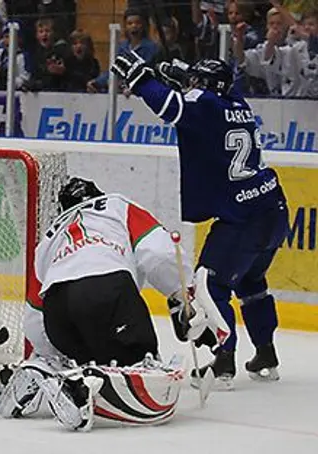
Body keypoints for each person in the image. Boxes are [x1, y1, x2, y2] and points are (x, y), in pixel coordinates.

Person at [111, 53, 290, 389]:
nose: (192, 85)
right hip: (273, 207)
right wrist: (177, 72)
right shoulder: (237, 101)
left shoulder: (203, 104)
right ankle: (265, 352)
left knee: (209, 284)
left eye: (197, 82)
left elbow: (171, 108)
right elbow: (201, 89)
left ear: (205, 87)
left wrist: (141, 80)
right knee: (252, 282)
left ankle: (223, 362)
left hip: (242, 218)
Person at [0, 177, 229, 431]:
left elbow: (33, 315)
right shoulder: (117, 205)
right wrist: (180, 295)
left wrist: (50, 352)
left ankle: (45, 369)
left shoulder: (49, 239)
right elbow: (159, 253)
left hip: (56, 312)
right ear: (98, 195)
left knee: (91, 361)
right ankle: (80, 392)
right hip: (107, 292)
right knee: (144, 372)